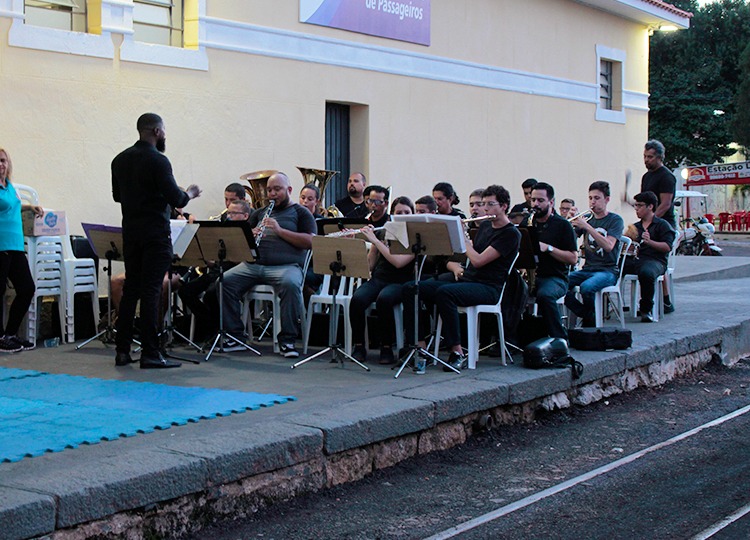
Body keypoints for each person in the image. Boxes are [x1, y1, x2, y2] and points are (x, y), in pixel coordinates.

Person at [112, 113, 201, 369]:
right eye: (163, 131)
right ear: (156, 131)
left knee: (131, 291)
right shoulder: (159, 160)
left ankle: (122, 351)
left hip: (131, 231)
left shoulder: (119, 160)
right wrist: (191, 193)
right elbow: (178, 199)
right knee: (151, 291)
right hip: (155, 234)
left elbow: (119, 196)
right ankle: (151, 352)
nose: (164, 135)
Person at [403, 185, 520, 372]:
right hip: (469, 279)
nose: (486, 209)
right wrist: (459, 239)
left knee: (445, 293)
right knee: (412, 287)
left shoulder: (510, 233)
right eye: (484, 204)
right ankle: (420, 348)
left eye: (491, 204)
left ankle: (457, 352)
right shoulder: (486, 227)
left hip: (488, 287)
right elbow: (468, 254)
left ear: (504, 206)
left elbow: (479, 260)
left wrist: (465, 242)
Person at [220, 172, 316, 358]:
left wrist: (279, 231)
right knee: (224, 281)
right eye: (270, 190)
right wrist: (251, 235)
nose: (272, 193)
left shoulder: (300, 212)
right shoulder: (259, 212)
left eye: (277, 189)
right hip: (254, 265)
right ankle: (235, 336)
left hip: (286, 266)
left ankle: (287, 340)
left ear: (289, 190)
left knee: (291, 284)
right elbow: (243, 241)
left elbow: (310, 241)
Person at [350, 196, 413, 365]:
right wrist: (367, 242)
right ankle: (359, 346)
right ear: (392, 215)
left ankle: (386, 347)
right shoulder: (384, 231)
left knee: (384, 300)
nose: (402, 216)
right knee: (357, 299)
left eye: (407, 212)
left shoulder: (414, 236)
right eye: (399, 213)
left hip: (401, 281)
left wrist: (376, 242)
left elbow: (398, 263)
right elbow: (370, 266)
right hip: (379, 278)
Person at [178, 199, 251, 341]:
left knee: (211, 294)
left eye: (234, 213)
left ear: (245, 216)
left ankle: (215, 330)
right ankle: (209, 325)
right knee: (185, 291)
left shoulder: (245, 233)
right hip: (216, 272)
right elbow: (216, 262)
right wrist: (205, 258)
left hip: (233, 274)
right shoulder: (223, 230)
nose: (229, 216)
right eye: (229, 213)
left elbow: (244, 260)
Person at [0, 147, 43, 353]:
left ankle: (10, 334)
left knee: (26, 288)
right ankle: (1, 337)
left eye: (4, 161)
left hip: (16, 245)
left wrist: (29, 207)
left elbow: (12, 206)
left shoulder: (9, 186)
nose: (1, 165)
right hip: (1, 245)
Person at [564, 182, 624, 327]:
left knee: (587, 287)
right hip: (587, 269)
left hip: (608, 270)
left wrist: (587, 227)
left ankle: (590, 323)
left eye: (597, 198)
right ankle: (587, 314)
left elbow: (609, 246)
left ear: (607, 199)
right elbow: (568, 240)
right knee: (558, 283)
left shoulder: (615, 220)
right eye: (590, 198)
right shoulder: (587, 219)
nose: (592, 202)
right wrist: (567, 222)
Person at [527, 182, 578, 340]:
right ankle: (516, 338)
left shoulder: (562, 225)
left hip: (555, 277)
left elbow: (573, 258)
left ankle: (559, 339)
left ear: (551, 202)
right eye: (533, 200)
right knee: (509, 291)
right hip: (531, 276)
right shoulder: (528, 223)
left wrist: (549, 248)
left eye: (540, 200)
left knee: (545, 295)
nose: (536, 204)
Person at [624, 191, 676, 323]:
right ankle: (606, 307)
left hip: (656, 261)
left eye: (640, 206)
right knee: (612, 267)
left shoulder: (662, 225)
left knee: (646, 273)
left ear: (650, 207)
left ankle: (646, 310)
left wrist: (650, 242)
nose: (636, 209)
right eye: (635, 206)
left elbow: (667, 247)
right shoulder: (635, 227)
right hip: (637, 259)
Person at [641, 139, 676, 313]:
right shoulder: (646, 177)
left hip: (663, 225)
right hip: (649, 222)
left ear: (660, 157)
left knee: (658, 261)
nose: (646, 160)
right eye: (645, 156)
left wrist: (651, 222)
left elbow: (665, 204)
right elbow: (644, 201)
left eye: (650, 157)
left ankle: (666, 300)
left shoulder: (667, 176)